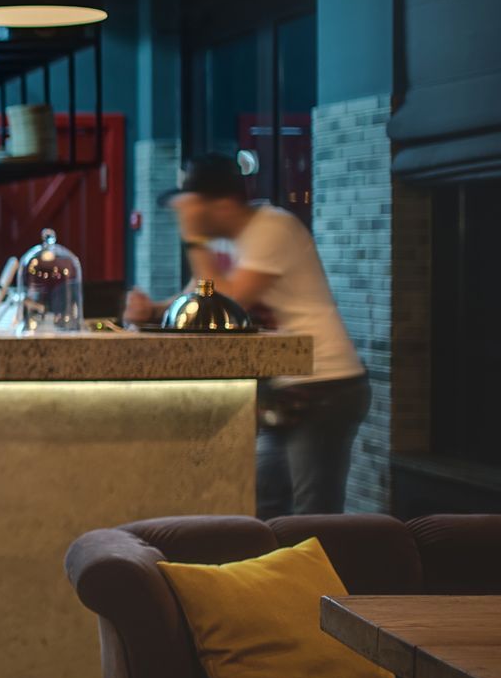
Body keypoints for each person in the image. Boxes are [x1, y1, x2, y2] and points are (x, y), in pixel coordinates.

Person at [126, 153, 368, 518]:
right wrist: (153, 310)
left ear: (222, 204)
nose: (187, 218)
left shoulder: (272, 227)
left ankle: (324, 576)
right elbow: (197, 299)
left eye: (193, 208)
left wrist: (194, 239)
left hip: (325, 383)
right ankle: (273, 575)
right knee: (263, 505)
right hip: (282, 388)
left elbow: (228, 299)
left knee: (313, 513)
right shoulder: (223, 243)